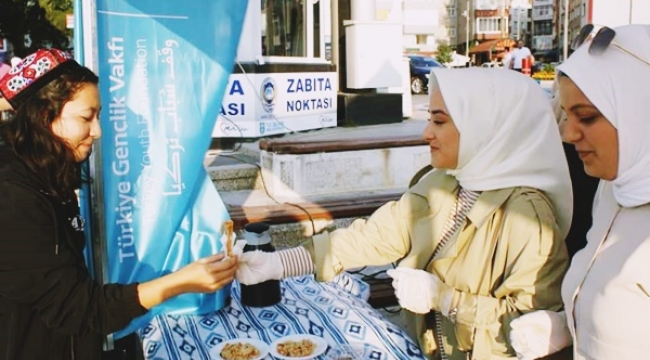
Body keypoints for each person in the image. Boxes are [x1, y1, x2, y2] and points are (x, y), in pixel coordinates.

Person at [236, 68, 573, 359]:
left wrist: (447, 300)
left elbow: (530, 330)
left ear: (485, 127)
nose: (427, 133)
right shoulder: (446, 182)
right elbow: (374, 237)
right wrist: (278, 264)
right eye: (429, 119)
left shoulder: (527, 215)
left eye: (439, 121)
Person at [0, 48, 239, 360]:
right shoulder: (13, 199)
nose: (98, 132)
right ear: (44, 117)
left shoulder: (46, 175)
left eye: (98, 117)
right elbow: (79, 309)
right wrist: (180, 282)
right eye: (87, 118)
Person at [510, 24, 650, 360]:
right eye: (566, 114)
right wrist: (570, 326)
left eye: (586, 117)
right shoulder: (613, 191)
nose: (569, 135)